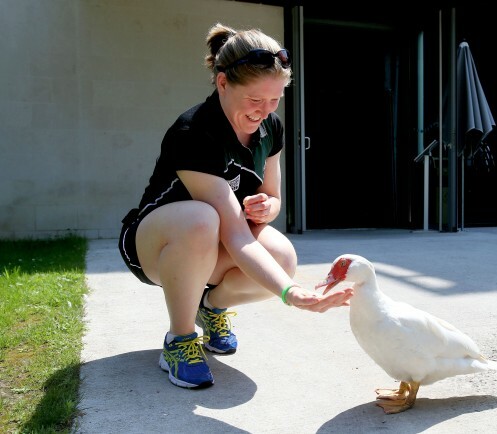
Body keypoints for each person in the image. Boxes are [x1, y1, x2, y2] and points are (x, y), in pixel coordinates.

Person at [118, 23, 353, 390]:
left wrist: (267, 208)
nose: (264, 110)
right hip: (154, 244)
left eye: (274, 99)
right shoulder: (194, 132)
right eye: (255, 100)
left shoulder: (270, 127)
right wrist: (293, 294)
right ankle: (179, 340)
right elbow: (236, 234)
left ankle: (209, 307)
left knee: (284, 258)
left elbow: (273, 197)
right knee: (201, 217)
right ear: (223, 83)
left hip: (215, 243)